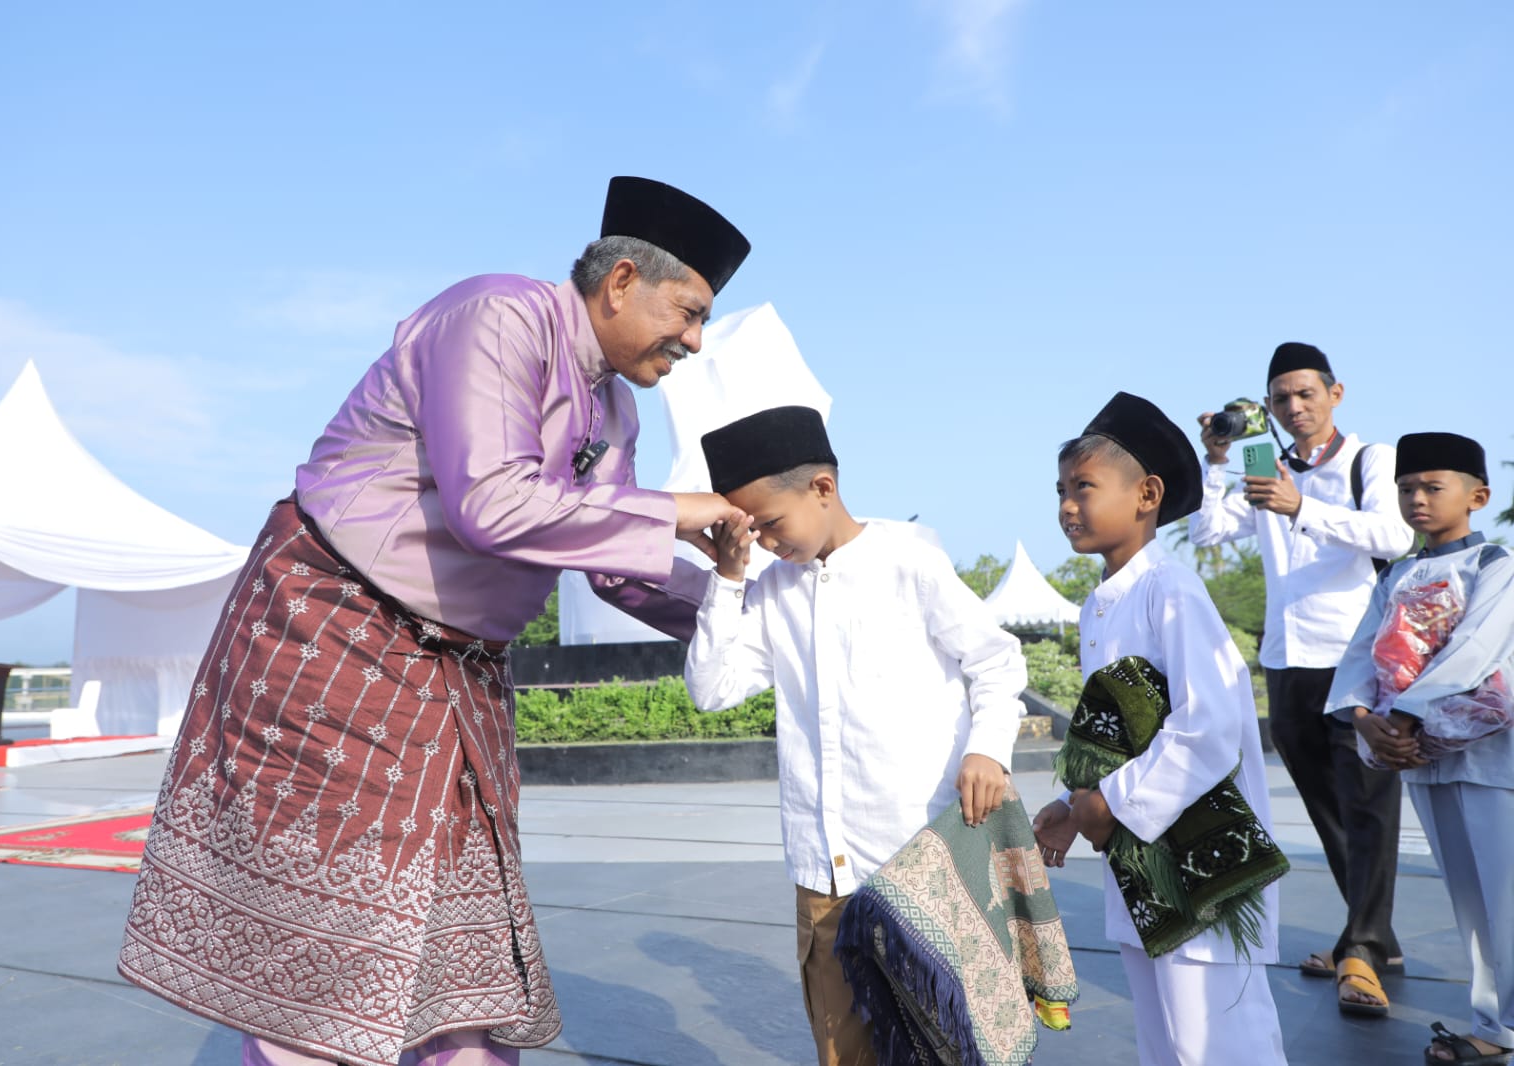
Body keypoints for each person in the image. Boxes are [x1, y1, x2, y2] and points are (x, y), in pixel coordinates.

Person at [117, 177, 751, 1066]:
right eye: (688, 312)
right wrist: (678, 509)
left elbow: (617, 567)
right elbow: (491, 505)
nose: (693, 339)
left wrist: (746, 616)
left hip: (452, 674)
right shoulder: (500, 316)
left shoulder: (614, 407)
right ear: (619, 283)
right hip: (335, 631)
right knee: (335, 948)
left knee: (462, 941)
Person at [682, 405, 1028, 1066]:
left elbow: (994, 661)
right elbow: (711, 688)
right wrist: (728, 577)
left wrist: (987, 749)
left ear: (822, 488)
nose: (767, 544)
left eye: (771, 524)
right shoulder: (771, 591)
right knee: (846, 1050)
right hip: (826, 878)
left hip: (920, 863)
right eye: (751, 532)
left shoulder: (908, 561)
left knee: (949, 1045)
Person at [1034, 392, 1288, 1066]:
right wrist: (1071, 806)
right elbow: (1116, 740)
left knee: (1222, 1044)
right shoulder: (1099, 605)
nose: (1066, 504)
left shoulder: (1168, 587)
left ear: (1146, 494)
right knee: (1169, 1044)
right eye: (1059, 490)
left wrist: (1110, 801)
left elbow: (1211, 724)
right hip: (1143, 864)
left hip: (1204, 862)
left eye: (1083, 487)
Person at [1189, 341, 1415, 1015]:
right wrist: (1218, 459)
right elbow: (1206, 532)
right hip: (1287, 662)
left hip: (1357, 661)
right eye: (1281, 398)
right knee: (1329, 811)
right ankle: (1374, 938)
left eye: (1305, 394)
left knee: (1370, 807)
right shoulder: (1267, 462)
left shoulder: (1370, 459)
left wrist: (1302, 509)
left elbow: (1393, 536)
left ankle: (1363, 951)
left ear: (1335, 394)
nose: (1294, 408)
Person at [1326, 432, 1514, 1064]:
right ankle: (1494, 1024)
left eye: (1433, 486)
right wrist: (1361, 716)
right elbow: (1360, 652)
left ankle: (1502, 1025)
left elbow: (1475, 650)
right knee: (1468, 899)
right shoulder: (1398, 574)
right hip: (1424, 758)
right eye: (1407, 488)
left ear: (1477, 496)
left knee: (1506, 895)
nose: (1417, 498)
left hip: (1490, 758)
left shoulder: (1496, 563)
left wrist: (1401, 715)